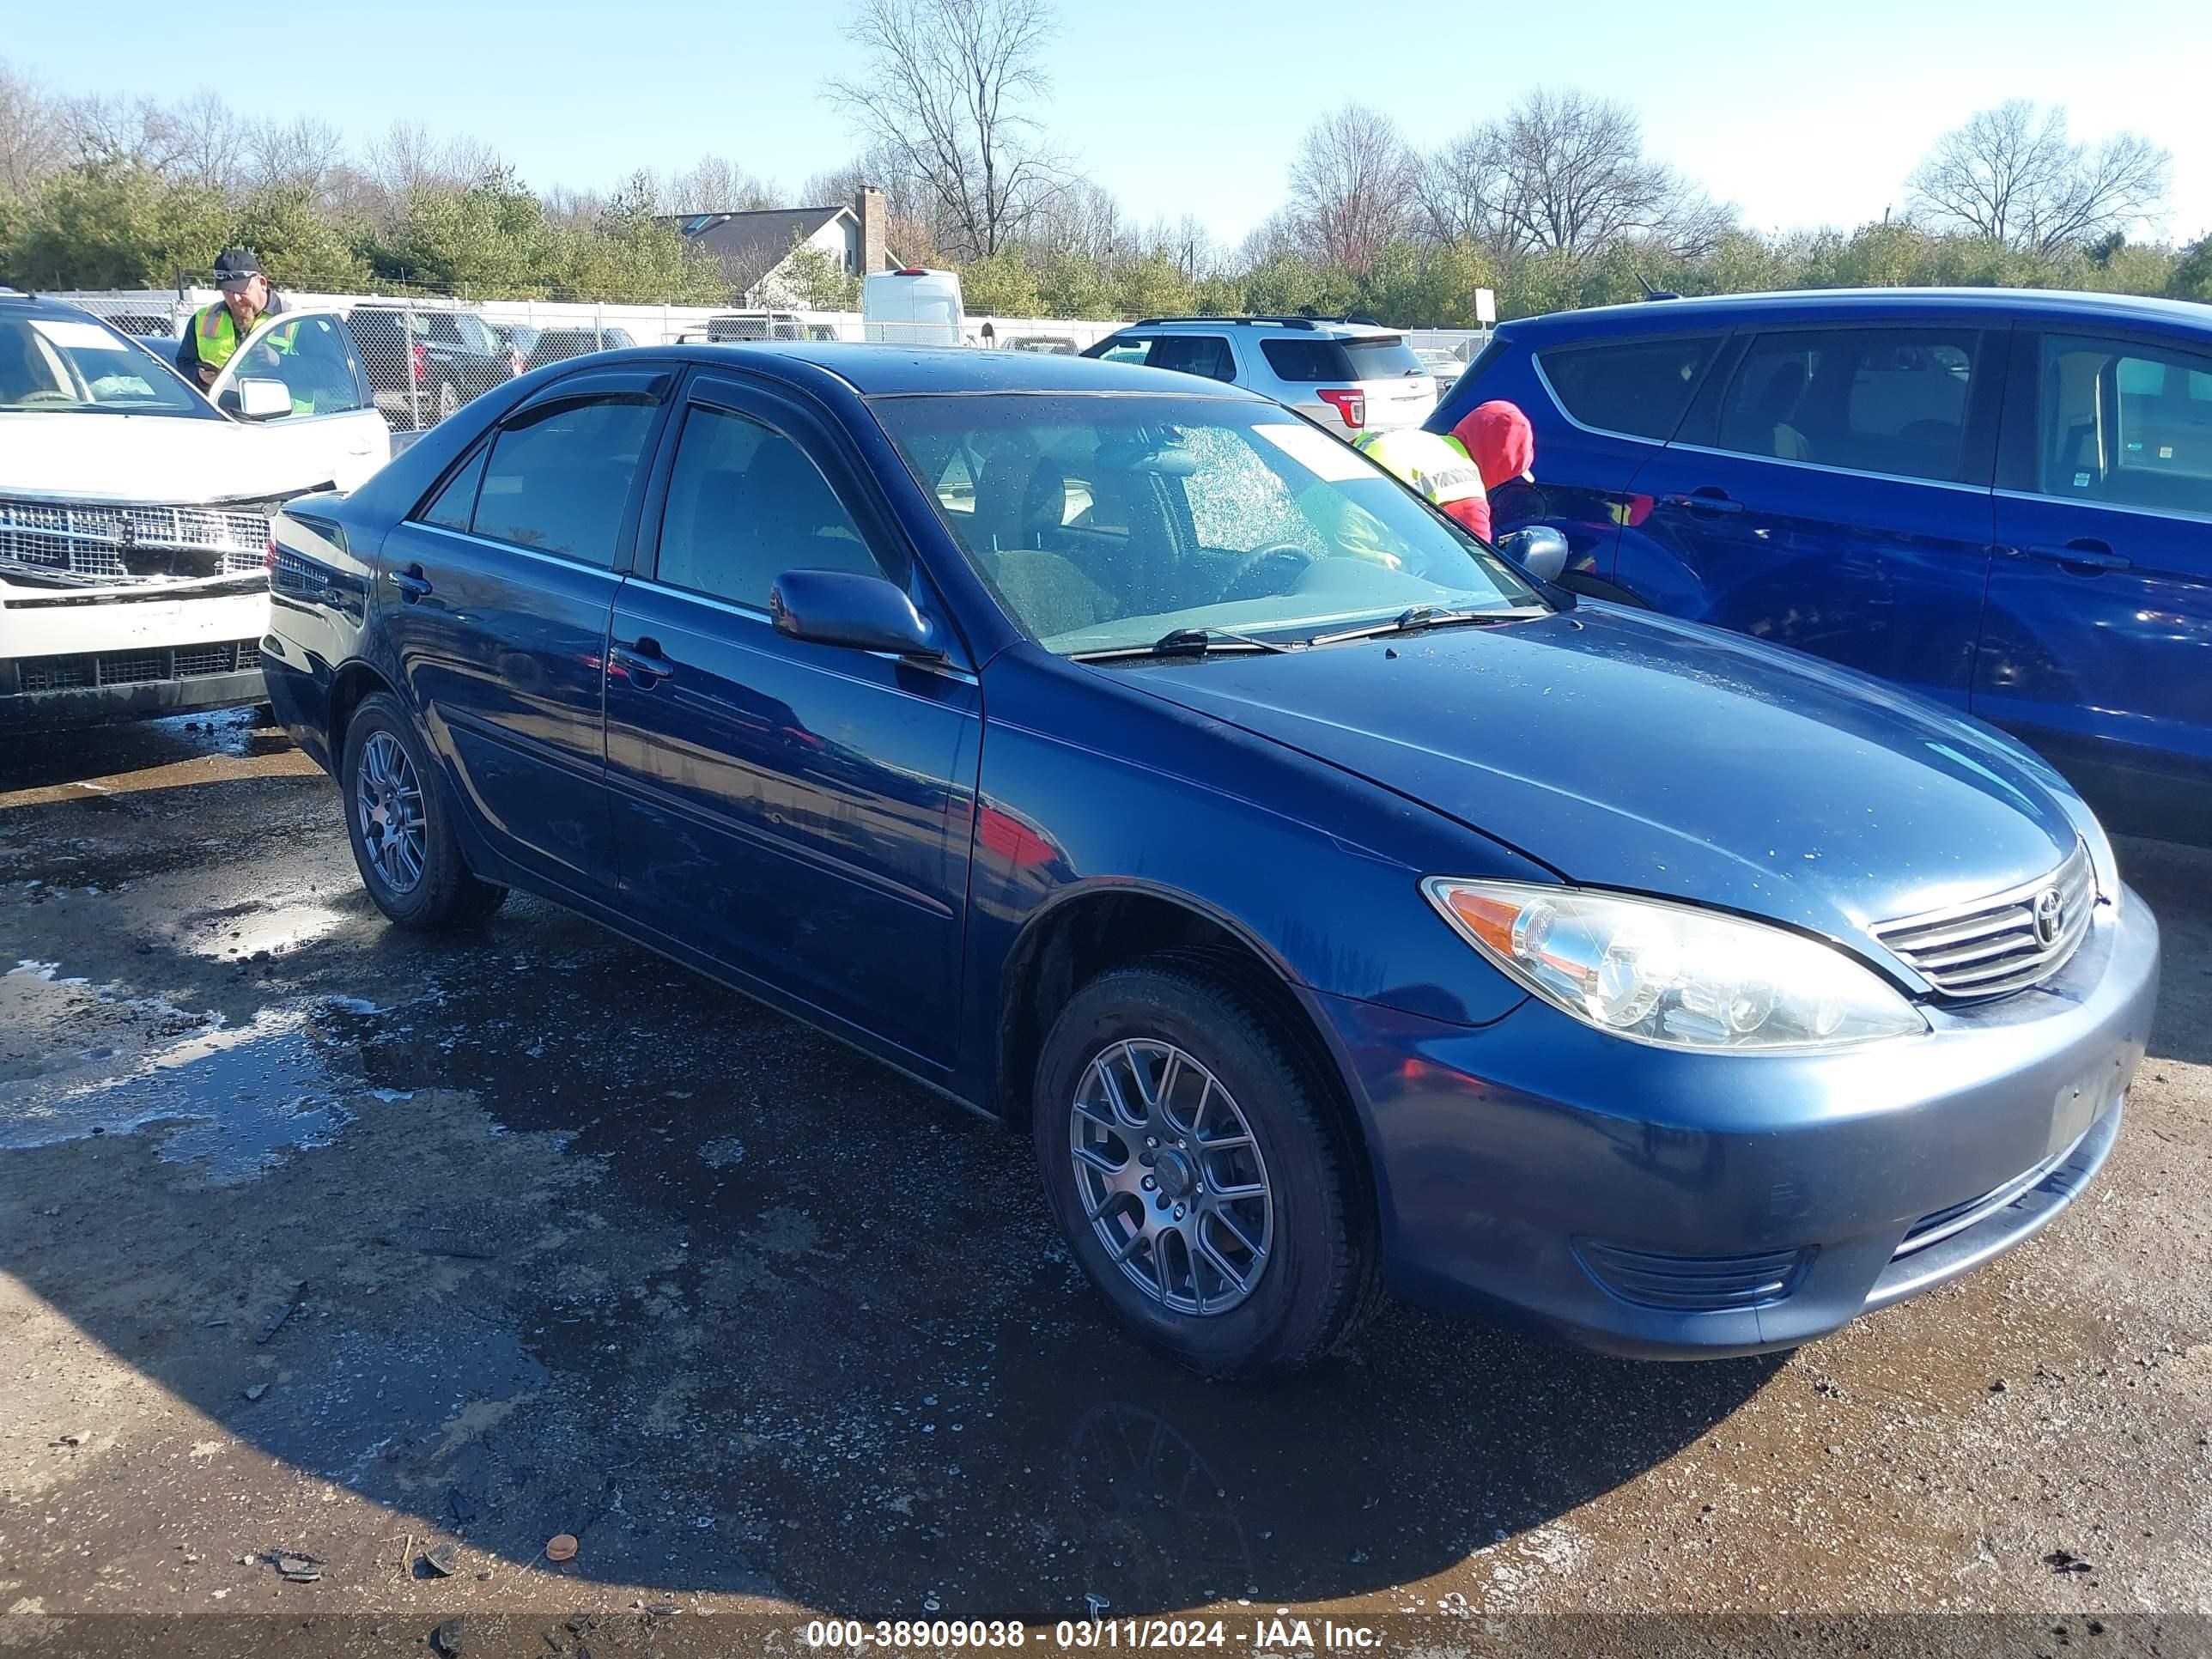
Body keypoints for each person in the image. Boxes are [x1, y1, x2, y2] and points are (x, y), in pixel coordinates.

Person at [1352, 425, 1492, 538]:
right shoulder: (1467, 489)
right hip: (1363, 547)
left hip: (1334, 516)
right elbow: (1477, 563)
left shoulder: (1417, 437)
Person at [177, 248, 281, 388]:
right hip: (221, 407)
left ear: (262, 283)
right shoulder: (203, 318)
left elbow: (318, 370)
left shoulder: (292, 318)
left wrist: (281, 363)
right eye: (227, 291)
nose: (235, 298)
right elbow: (184, 364)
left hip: (281, 408)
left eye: (241, 291)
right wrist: (200, 377)